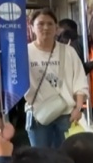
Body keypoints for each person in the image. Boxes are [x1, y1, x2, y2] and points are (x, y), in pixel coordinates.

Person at [25, 9, 88, 149]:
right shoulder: (24, 52)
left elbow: (80, 82)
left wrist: (78, 108)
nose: (46, 27)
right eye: (40, 24)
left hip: (66, 114)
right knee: (41, 157)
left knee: (66, 156)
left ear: (56, 28)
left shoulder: (68, 51)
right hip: (38, 114)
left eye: (50, 24)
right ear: (32, 27)